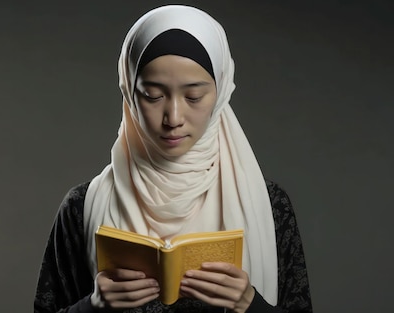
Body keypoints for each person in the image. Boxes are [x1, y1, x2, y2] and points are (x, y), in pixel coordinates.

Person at [34, 5, 312, 313]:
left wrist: (250, 304)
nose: (174, 118)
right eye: (153, 95)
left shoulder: (269, 204)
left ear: (220, 94)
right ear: (129, 91)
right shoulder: (82, 206)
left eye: (194, 97)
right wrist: (93, 306)